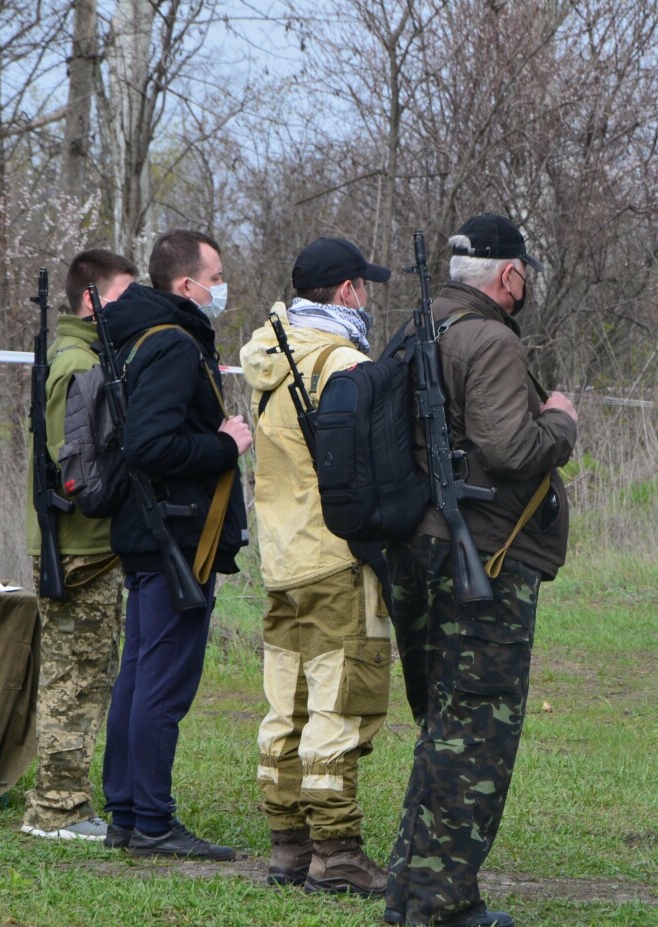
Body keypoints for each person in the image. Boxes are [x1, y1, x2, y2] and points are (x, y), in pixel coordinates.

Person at [385, 214, 578, 927]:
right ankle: (441, 903)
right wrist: (561, 420)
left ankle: (408, 889)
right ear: (510, 276)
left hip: (416, 551)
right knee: (477, 735)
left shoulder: (415, 331)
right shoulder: (490, 339)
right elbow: (510, 446)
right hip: (480, 561)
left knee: (444, 723)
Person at [239, 237, 395, 894]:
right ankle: (337, 852)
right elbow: (370, 471)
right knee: (340, 701)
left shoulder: (267, 356)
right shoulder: (345, 363)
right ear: (348, 290)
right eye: (366, 285)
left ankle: (288, 845)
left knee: (288, 701)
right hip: (335, 557)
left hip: (280, 557)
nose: (369, 297)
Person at [98, 229, 252, 860]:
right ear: (186, 285)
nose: (221, 288)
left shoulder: (145, 335)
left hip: (156, 529)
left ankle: (128, 815)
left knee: (140, 674)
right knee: (162, 680)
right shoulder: (172, 344)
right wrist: (225, 443)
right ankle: (152, 823)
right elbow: (149, 446)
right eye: (215, 277)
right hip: (173, 533)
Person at [20, 249, 137, 841]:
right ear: (92, 302)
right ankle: (55, 810)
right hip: (79, 547)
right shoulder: (76, 363)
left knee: (87, 676)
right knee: (74, 681)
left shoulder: (85, 356)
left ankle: (65, 802)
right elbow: (78, 469)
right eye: (123, 296)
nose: (131, 307)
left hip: (87, 545)